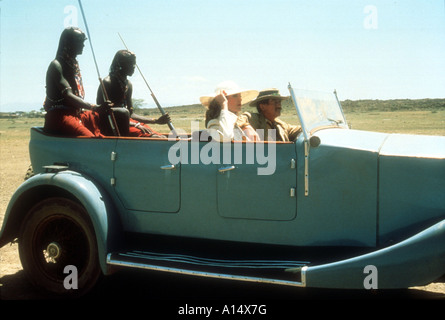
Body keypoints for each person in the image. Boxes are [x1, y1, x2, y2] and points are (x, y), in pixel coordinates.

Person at [43, 27, 113, 137]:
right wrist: (94, 107)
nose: (83, 45)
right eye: (79, 41)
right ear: (67, 43)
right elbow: (68, 95)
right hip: (60, 116)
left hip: (77, 113)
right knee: (90, 138)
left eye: (83, 41)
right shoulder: (56, 65)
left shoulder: (73, 65)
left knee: (108, 120)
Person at [97, 50, 170, 137]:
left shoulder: (128, 84)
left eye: (134, 64)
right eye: (130, 64)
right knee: (156, 138)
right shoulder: (107, 82)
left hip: (129, 122)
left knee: (162, 137)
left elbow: (130, 113)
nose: (133, 67)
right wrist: (133, 124)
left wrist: (155, 121)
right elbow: (101, 112)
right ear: (120, 64)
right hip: (114, 125)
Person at [237, 88, 302, 141]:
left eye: (279, 102)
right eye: (274, 101)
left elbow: (299, 129)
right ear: (262, 106)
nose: (279, 105)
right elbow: (239, 121)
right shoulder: (253, 118)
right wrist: (245, 127)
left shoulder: (281, 125)